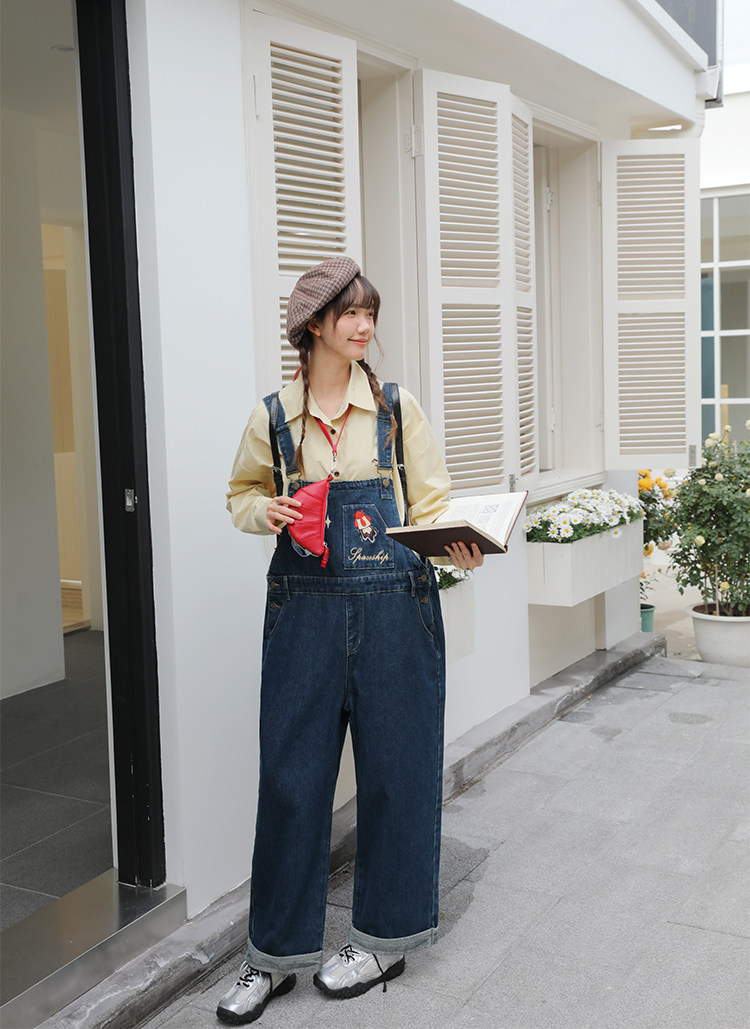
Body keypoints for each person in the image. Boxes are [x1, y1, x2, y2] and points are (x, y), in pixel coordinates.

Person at [219, 257, 483, 1024]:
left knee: (399, 774)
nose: (366, 326)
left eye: (371, 313)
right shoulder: (273, 417)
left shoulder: (397, 410)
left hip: (396, 612)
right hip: (304, 615)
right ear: (314, 325)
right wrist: (265, 510)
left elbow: (431, 505)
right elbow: (240, 494)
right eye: (351, 314)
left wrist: (456, 545)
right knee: (291, 780)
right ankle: (272, 956)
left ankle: (383, 939)